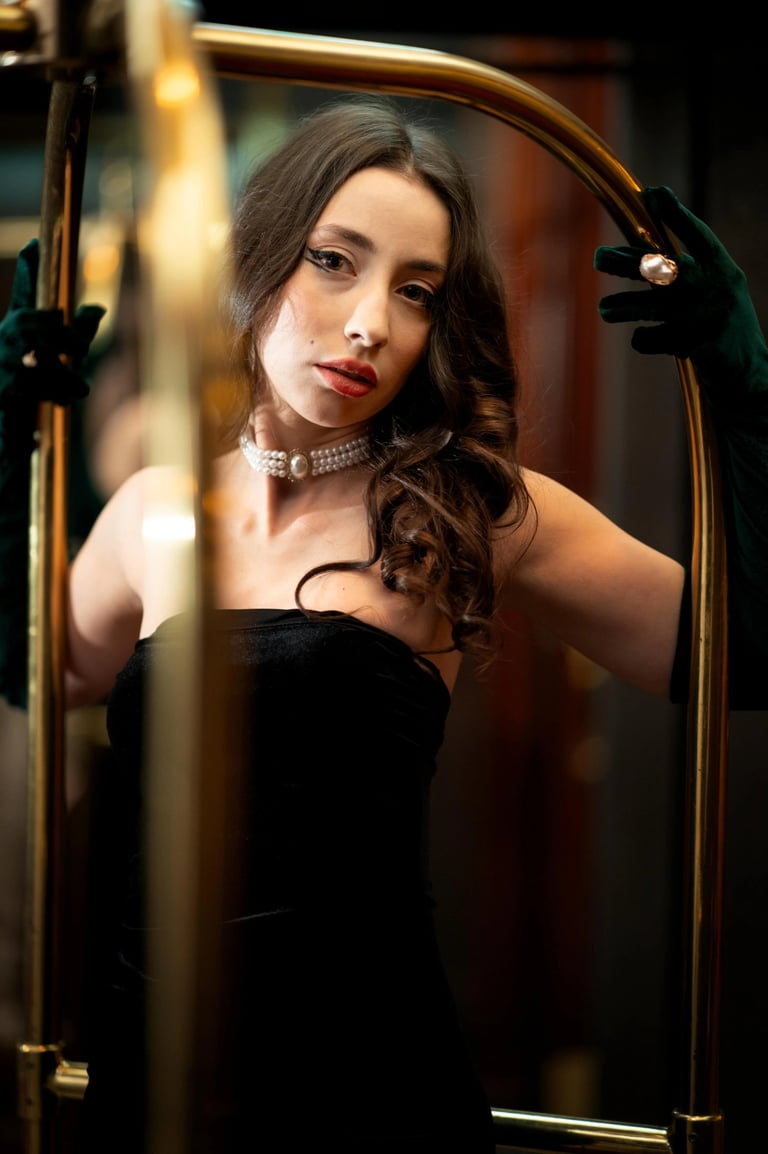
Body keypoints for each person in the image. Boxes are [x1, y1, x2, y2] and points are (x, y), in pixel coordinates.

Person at [1, 96, 766, 1152]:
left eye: (416, 291)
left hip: (366, 1095)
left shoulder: (470, 508)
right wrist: (13, 447)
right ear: (258, 257)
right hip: (148, 1086)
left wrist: (746, 395)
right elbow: (39, 672)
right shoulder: (151, 507)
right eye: (332, 260)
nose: (370, 322)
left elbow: (747, 652)